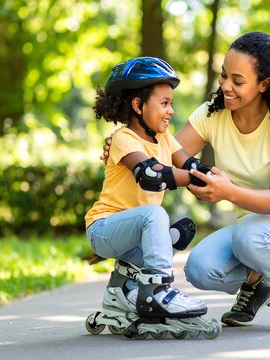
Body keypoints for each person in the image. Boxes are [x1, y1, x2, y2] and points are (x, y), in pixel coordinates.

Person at [102, 31, 270, 333]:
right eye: (224, 75)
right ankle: (257, 284)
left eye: (237, 81)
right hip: (254, 231)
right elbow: (167, 152)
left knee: (249, 235)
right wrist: (125, 145)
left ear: (263, 84)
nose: (226, 86)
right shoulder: (213, 114)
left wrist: (227, 192)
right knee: (200, 268)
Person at [84, 57, 220, 339]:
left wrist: (219, 177)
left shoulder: (165, 138)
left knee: (179, 232)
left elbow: (190, 166)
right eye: (164, 103)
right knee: (155, 214)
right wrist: (196, 178)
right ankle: (157, 290)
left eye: (171, 103)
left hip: (131, 234)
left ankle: (123, 290)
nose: (170, 110)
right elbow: (151, 175)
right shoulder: (124, 138)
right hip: (104, 228)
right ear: (138, 105)